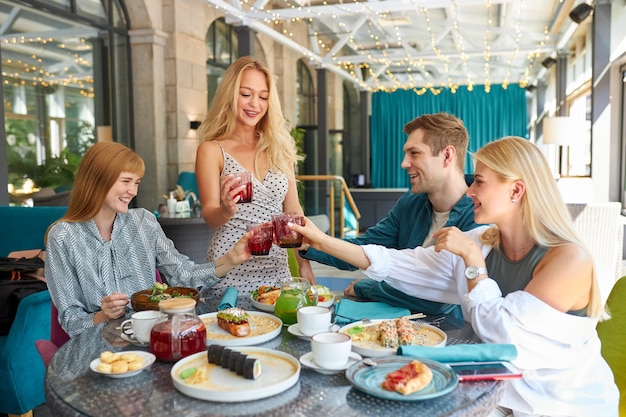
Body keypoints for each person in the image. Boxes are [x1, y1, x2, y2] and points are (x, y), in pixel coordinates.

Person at [289, 137, 618, 416]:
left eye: (480, 182)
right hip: (500, 396)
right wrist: (321, 240)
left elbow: (506, 337)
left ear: (516, 190)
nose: (470, 190)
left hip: (561, 405)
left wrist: (474, 264)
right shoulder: (484, 240)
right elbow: (399, 263)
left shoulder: (569, 259)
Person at [45, 142, 252, 337]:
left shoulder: (143, 221)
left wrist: (233, 257)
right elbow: (71, 320)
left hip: (151, 341)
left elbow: (182, 275)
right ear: (97, 180)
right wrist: (104, 314)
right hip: (100, 349)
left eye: (136, 183)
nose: (133, 191)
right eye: (126, 181)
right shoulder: (63, 237)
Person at [300, 112, 481, 317]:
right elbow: (362, 249)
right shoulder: (410, 203)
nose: (404, 163)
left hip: (450, 332)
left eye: (414, 153)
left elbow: (436, 299)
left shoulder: (480, 212)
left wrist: (370, 288)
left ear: (447, 156)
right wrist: (309, 243)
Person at [195, 55, 313, 297]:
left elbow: (293, 212)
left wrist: (303, 261)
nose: (254, 104)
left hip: (276, 269)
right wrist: (226, 210)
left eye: (263, 96)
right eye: (246, 94)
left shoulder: (280, 147)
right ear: (230, 93)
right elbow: (210, 216)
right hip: (230, 266)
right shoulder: (211, 149)